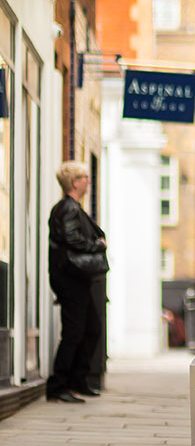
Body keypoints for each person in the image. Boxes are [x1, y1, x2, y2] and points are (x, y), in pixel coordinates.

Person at [46, 161, 108, 403]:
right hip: (70, 279)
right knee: (74, 333)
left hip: (76, 279)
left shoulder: (72, 207)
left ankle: (77, 381)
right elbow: (72, 239)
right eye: (84, 176)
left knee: (91, 329)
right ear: (74, 182)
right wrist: (97, 246)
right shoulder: (68, 208)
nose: (88, 180)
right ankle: (58, 386)